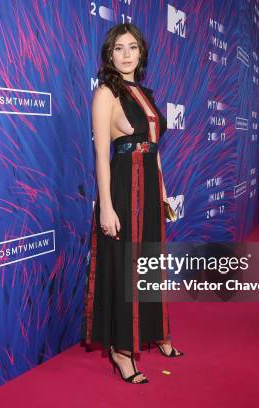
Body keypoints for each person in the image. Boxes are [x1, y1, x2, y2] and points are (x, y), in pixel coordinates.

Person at [82, 23, 182, 385]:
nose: (126, 55)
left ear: (141, 53)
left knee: (151, 261)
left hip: (151, 187)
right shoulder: (106, 93)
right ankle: (122, 351)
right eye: (118, 49)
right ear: (109, 55)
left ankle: (156, 331)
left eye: (132, 48)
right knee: (126, 266)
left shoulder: (146, 94)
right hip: (124, 186)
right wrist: (106, 207)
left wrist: (164, 192)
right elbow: (101, 156)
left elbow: (153, 149)